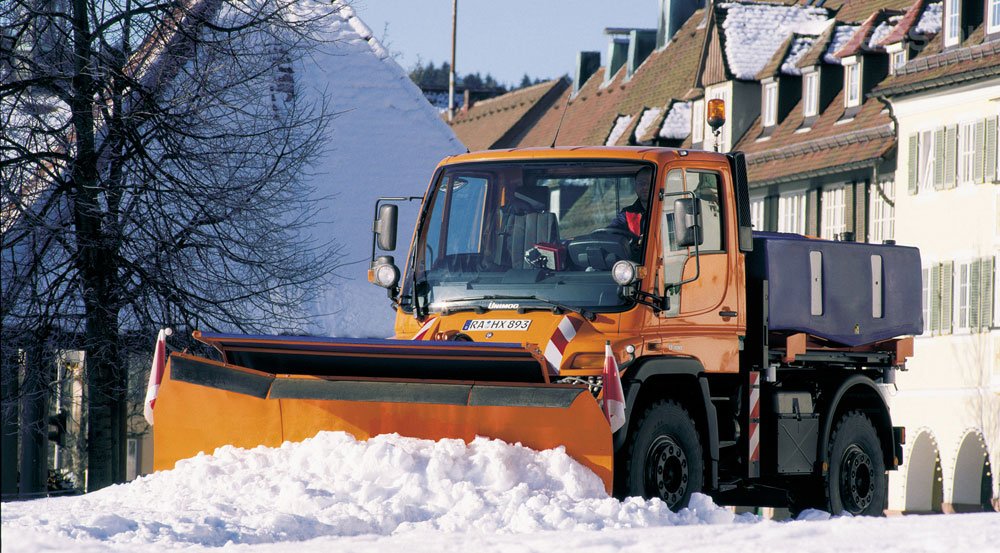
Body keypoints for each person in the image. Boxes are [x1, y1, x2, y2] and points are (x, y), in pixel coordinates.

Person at [608, 167, 653, 236]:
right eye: (641, 183)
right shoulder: (627, 214)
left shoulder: (665, 210)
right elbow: (610, 231)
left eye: (649, 183)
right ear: (635, 186)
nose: (645, 187)